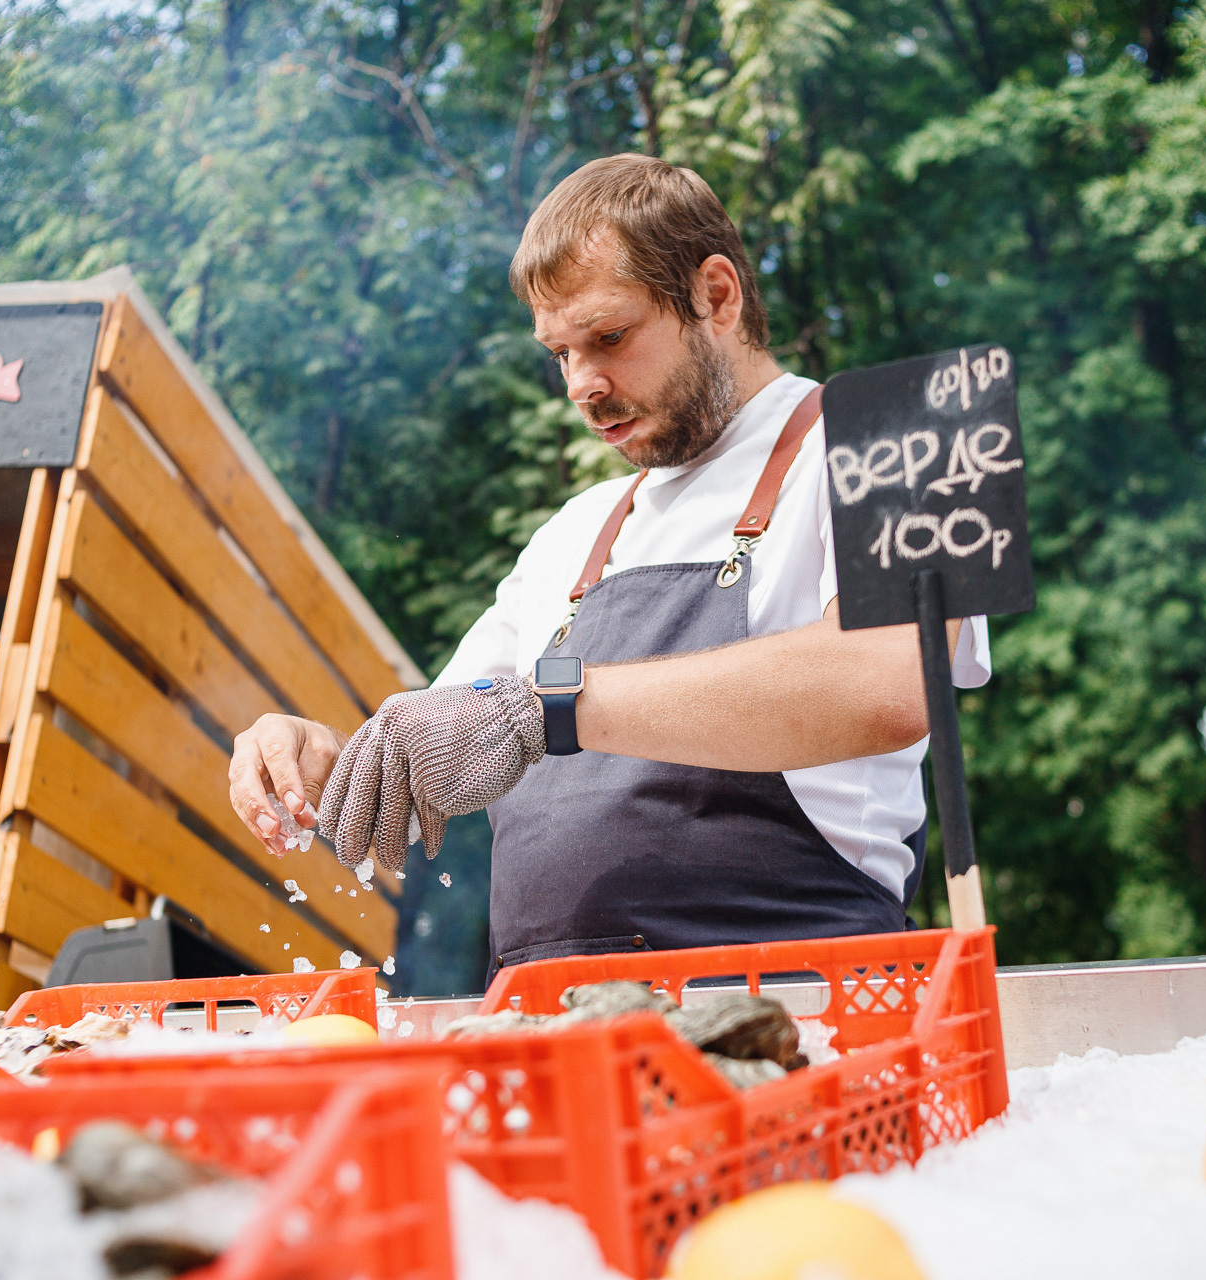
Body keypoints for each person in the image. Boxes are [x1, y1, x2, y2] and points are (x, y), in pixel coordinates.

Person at [229, 154, 990, 970]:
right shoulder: (571, 531)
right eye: (559, 352)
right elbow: (437, 756)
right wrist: (327, 763)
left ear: (717, 296)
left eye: (609, 337)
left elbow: (888, 678)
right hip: (548, 1049)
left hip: (795, 1019)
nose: (580, 386)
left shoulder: (899, 440)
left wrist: (552, 707)